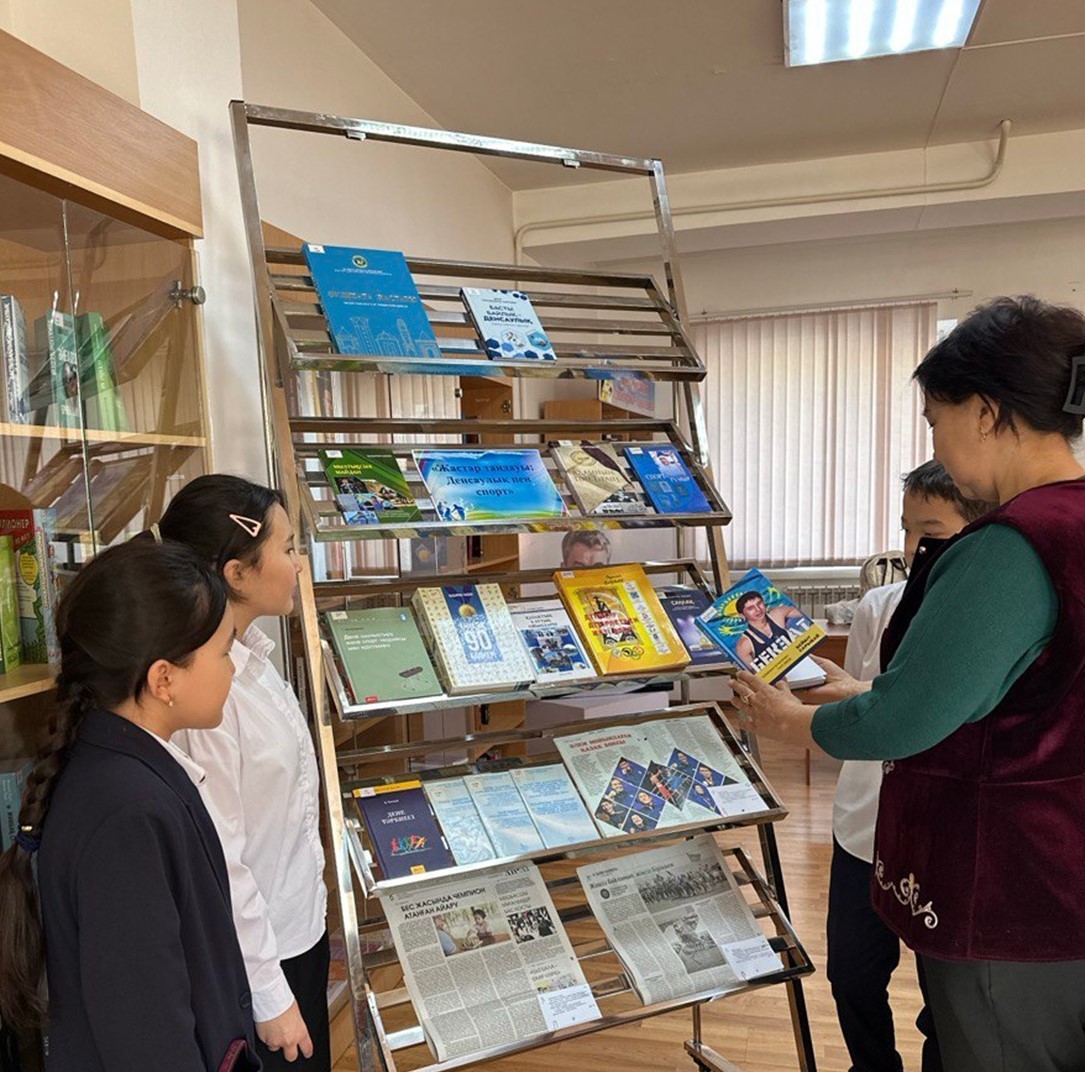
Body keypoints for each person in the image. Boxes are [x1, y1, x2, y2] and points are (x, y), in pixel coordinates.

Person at [733, 296, 1085, 1072]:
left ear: (985, 412)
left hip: (1009, 888)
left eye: (934, 419)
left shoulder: (1010, 545)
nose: (934, 442)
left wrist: (792, 723)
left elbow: (909, 718)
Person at [0, 539, 259, 1071]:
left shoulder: (124, 767)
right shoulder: (127, 812)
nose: (232, 670)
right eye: (222, 654)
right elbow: (148, 1034)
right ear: (163, 678)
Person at [828, 460, 994, 1072]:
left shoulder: (989, 615)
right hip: (862, 825)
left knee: (943, 993)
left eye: (932, 530)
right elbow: (856, 696)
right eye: (906, 528)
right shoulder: (879, 605)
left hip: (941, 834)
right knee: (851, 972)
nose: (913, 546)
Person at [160, 476, 329, 1070]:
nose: (298, 565)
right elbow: (223, 863)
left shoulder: (253, 658)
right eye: (287, 548)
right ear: (236, 573)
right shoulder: (209, 695)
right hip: (260, 965)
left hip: (299, 933)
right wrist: (271, 996)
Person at [732, 590, 805, 668]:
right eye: (750, 608)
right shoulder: (744, 644)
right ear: (742, 615)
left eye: (759, 603)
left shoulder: (778, 614)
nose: (758, 610)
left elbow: (806, 618)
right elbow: (753, 673)